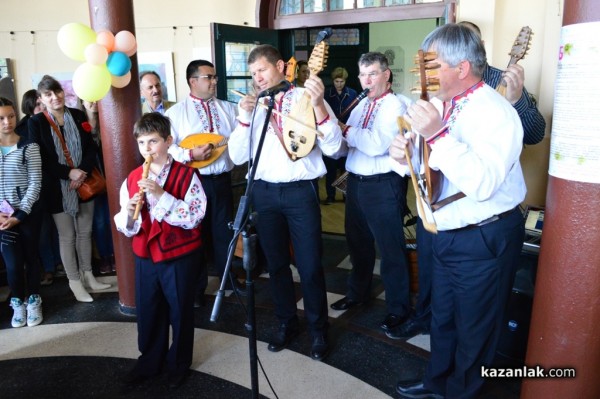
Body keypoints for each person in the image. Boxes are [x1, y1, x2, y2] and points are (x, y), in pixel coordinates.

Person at [387, 20, 546, 342]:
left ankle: (461, 388)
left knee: (474, 327)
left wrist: (436, 134)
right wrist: (406, 156)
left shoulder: (497, 111)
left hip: (483, 235)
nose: (425, 75)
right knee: (443, 317)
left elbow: (482, 185)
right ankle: (437, 383)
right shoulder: (439, 104)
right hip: (445, 230)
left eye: (432, 66)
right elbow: (428, 166)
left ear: (461, 68)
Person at [228, 44, 343, 361]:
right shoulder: (254, 106)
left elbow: (334, 148)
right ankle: (286, 322)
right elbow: (238, 156)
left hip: (299, 192)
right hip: (264, 193)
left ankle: (319, 330)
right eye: (252, 73)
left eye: (262, 70)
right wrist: (243, 118)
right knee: (276, 266)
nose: (257, 78)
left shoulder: (305, 96)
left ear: (280, 66)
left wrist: (319, 106)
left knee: (309, 266)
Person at [113, 112, 207, 389]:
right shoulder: (131, 178)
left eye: (153, 141)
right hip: (145, 255)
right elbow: (125, 224)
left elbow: (194, 216)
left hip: (178, 255)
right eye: (142, 143)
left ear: (168, 141)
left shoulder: (188, 174)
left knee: (179, 310)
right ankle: (149, 362)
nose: (147, 149)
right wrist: (130, 215)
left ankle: (178, 365)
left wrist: (160, 195)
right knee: (149, 310)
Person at [329, 52, 411, 335]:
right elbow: (346, 145)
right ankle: (358, 293)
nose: (366, 81)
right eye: (362, 75)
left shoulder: (396, 105)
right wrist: (335, 135)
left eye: (372, 74)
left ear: (386, 75)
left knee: (390, 250)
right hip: (357, 182)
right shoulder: (361, 104)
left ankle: (399, 309)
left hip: (384, 185)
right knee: (357, 245)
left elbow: (377, 144)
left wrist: (347, 131)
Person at [165, 59, 243, 305]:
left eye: (215, 77)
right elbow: (167, 149)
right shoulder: (175, 113)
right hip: (193, 183)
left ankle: (227, 278)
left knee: (224, 232)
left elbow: (241, 138)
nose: (214, 81)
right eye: (209, 77)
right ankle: (196, 288)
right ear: (193, 81)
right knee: (195, 234)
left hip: (221, 181)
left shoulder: (229, 109)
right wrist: (189, 154)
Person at [28, 75, 110, 303]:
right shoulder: (36, 123)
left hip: (84, 183)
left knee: (85, 232)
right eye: (48, 95)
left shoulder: (77, 115)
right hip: (56, 188)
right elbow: (40, 158)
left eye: (57, 91)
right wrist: (67, 173)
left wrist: (81, 171)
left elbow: (91, 149)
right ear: (42, 99)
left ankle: (88, 275)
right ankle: (75, 282)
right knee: (67, 236)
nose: (55, 97)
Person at [0, 97, 43, 327]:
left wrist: (20, 215)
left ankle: (34, 298)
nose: (7, 122)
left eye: (11, 116)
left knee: (31, 257)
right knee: (13, 263)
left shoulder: (29, 146)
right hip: (3, 218)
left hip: (27, 214)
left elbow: (35, 184)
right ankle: (17, 302)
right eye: (1, 118)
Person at [81, 99, 115, 274]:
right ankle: (104, 257)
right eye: (89, 98)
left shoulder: (108, 118)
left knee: (112, 219)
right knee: (99, 221)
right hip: (92, 180)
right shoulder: (79, 122)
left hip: (112, 177)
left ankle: (114, 255)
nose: (93, 102)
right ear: (82, 100)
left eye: (96, 98)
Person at [322, 66, 357, 204]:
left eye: (341, 81)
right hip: (332, 133)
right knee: (330, 168)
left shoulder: (353, 93)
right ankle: (330, 195)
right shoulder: (327, 94)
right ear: (333, 81)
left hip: (347, 132)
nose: (339, 84)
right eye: (337, 81)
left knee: (345, 167)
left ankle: (345, 195)